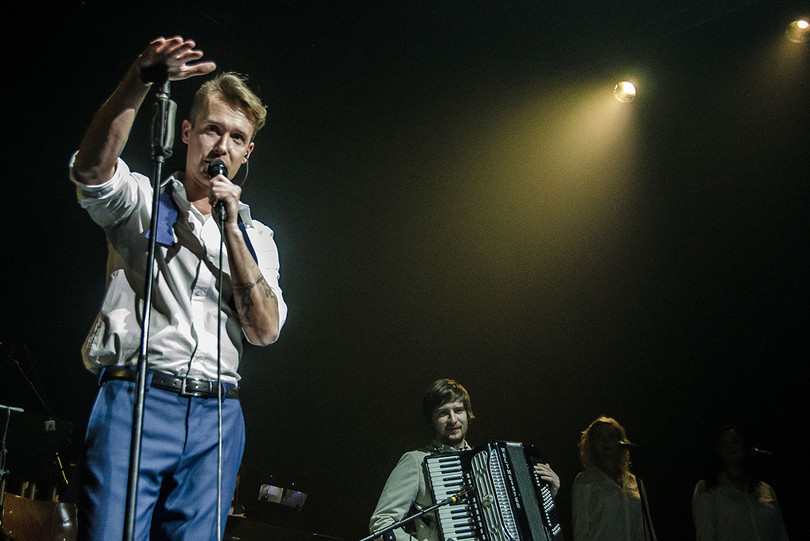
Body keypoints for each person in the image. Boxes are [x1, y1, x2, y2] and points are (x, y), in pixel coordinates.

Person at [69, 36, 287, 540]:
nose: (222, 146)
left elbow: (265, 331)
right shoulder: (143, 202)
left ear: (248, 151)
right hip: (136, 396)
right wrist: (139, 79)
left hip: (218, 414)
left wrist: (231, 230)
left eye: (236, 137)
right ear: (187, 132)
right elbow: (90, 171)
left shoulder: (257, 237)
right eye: (212, 129)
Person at [368, 378, 560, 541]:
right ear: (430, 420)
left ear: (468, 415)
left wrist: (545, 497)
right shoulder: (416, 461)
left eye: (458, 410)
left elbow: (515, 520)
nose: (453, 419)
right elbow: (381, 523)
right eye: (443, 413)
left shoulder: (486, 462)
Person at [691, 424, 789, 541]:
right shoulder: (708, 488)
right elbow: (705, 535)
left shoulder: (765, 489)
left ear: (744, 445)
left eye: (735, 441)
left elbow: (780, 533)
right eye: (723, 443)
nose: (730, 447)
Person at [571, 416, 656, 541]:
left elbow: (646, 528)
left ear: (620, 441)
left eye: (611, 436)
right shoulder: (585, 481)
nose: (606, 441)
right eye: (599, 437)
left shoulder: (635, 481)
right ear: (592, 443)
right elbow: (580, 531)